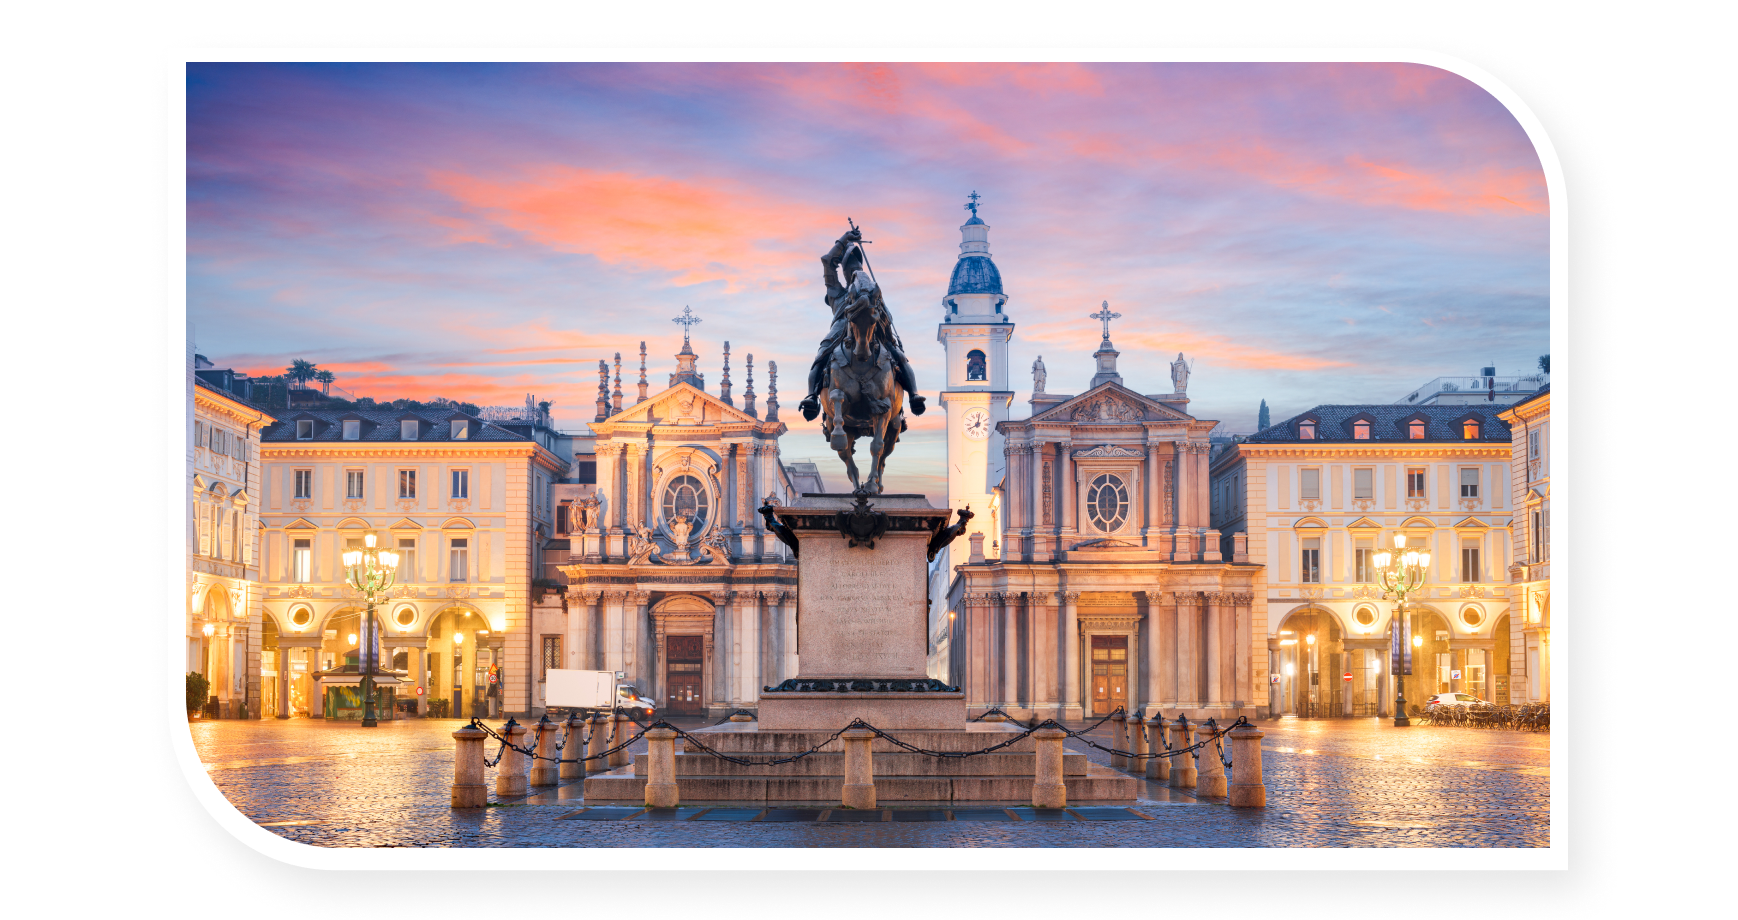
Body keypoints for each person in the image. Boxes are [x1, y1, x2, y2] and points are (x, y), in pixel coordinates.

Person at [798, 228, 926, 421]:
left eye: (857, 268)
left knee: (898, 355)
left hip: (872, 325)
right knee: (821, 355)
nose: (854, 271)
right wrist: (845, 239)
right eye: (850, 269)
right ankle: (812, 396)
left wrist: (880, 314)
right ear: (845, 272)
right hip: (840, 330)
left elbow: (886, 314)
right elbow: (827, 262)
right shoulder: (836, 293)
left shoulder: (871, 289)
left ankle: (913, 394)